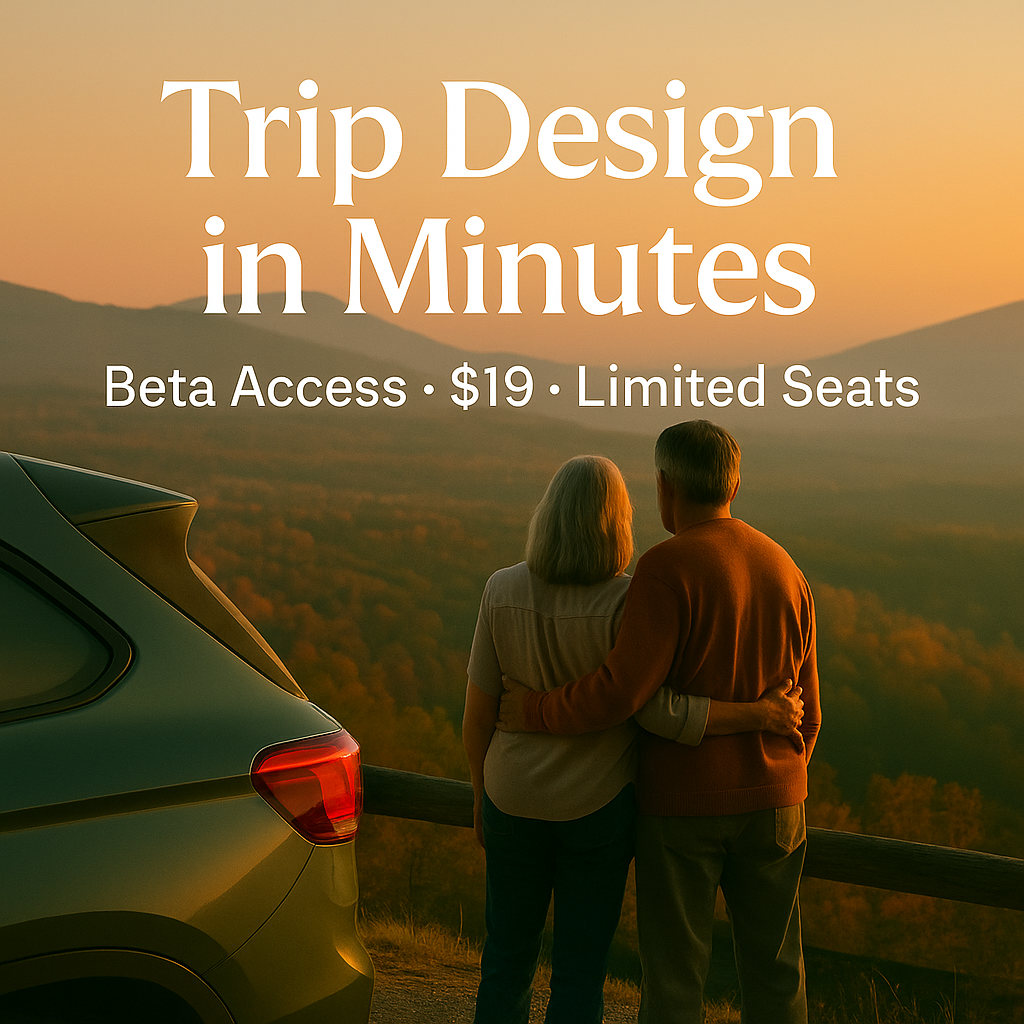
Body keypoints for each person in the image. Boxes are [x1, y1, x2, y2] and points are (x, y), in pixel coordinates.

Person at [498, 422, 821, 1024]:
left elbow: (622, 693)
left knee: (675, 978)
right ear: (734, 481)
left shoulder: (666, 567)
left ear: (666, 485)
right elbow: (809, 714)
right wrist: (778, 771)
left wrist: (535, 710)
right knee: (777, 974)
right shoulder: (787, 569)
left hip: (683, 809)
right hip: (778, 803)